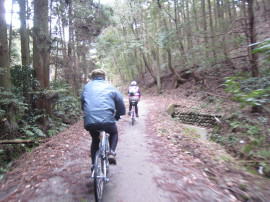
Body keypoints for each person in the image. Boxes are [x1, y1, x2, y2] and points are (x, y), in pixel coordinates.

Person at [81, 69, 125, 166]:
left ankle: (93, 165)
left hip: (90, 120)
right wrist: (119, 114)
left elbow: (83, 101)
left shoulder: (87, 87)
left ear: (92, 77)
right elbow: (120, 101)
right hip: (108, 120)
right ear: (104, 77)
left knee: (95, 140)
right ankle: (112, 152)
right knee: (114, 133)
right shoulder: (110, 86)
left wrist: (86, 113)